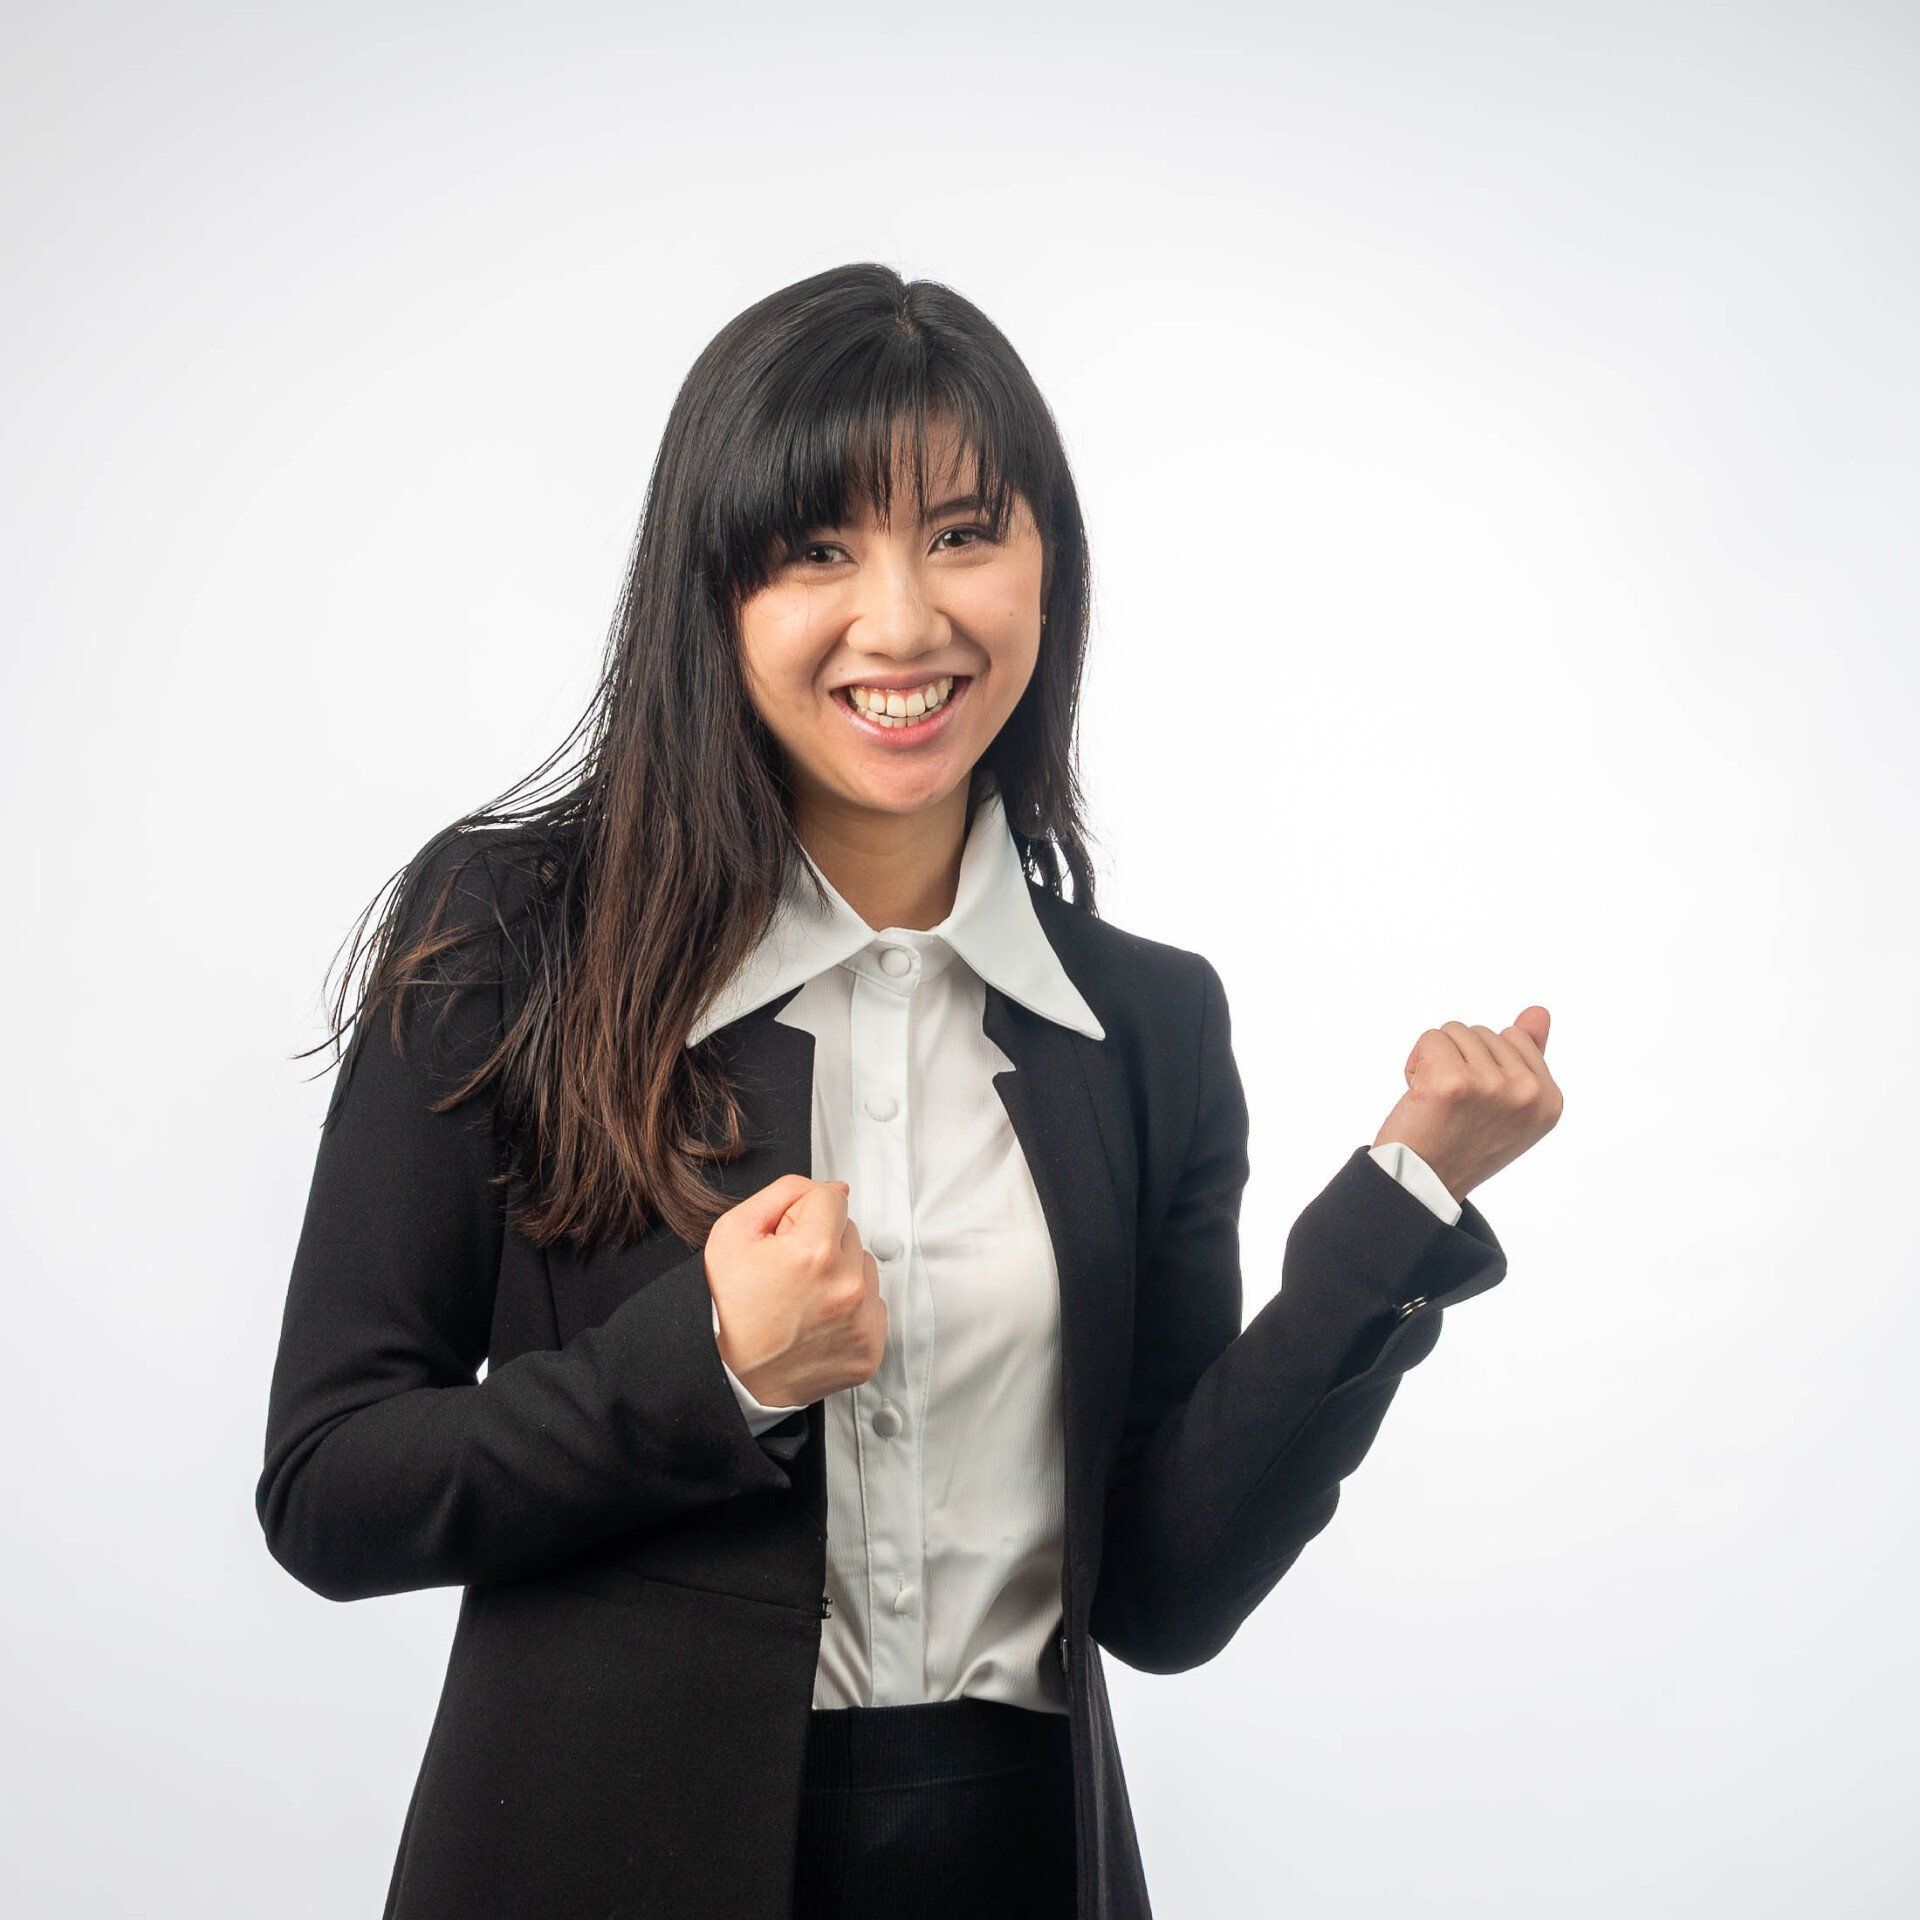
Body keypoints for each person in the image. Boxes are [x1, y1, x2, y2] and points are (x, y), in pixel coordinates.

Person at [255, 261, 1562, 1920]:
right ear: (707, 591)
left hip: (1018, 1860)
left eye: (962, 532)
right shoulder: (509, 940)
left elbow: (1163, 1590)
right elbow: (331, 1486)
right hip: (600, 1859)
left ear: (1048, 570)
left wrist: (1403, 1207)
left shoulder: (1143, 1023)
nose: (903, 621)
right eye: (818, 548)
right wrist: (713, 1371)